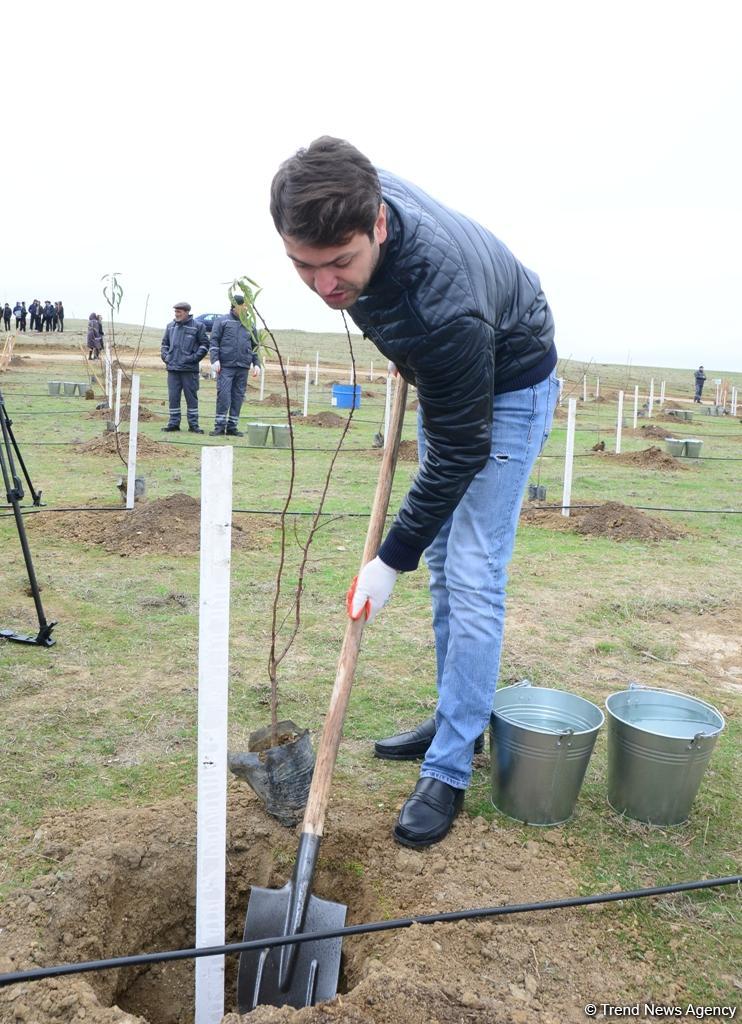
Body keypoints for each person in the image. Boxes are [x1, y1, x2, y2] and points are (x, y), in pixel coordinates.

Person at [271, 137, 558, 848]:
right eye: (303, 266)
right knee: (443, 578)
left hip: (509, 375)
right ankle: (454, 709)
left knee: (471, 570)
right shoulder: (348, 194)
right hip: (444, 370)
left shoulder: (441, 304)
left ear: (380, 226)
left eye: (341, 264)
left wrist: (388, 558)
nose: (325, 284)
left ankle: (452, 766)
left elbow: (462, 450)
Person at [208, 294, 261, 436]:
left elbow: (255, 346)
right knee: (224, 396)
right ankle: (219, 427)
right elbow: (214, 341)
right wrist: (215, 359)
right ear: (235, 306)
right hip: (226, 366)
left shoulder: (250, 324)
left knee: (238, 396)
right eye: (244, 306)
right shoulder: (222, 321)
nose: (246, 309)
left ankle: (232, 427)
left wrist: (256, 364)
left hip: (243, 366)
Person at [160, 301, 209, 433]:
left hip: (189, 370)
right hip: (173, 369)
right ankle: (173, 424)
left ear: (186, 312)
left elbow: (204, 345)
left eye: (179, 312)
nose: (176, 314)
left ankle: (194, 425)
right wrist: (166, 357)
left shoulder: (198, 326)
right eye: (175, 312)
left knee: (191, 398)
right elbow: (164, 344)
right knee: (173, 398)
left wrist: (193, 359)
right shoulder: (170, 326)